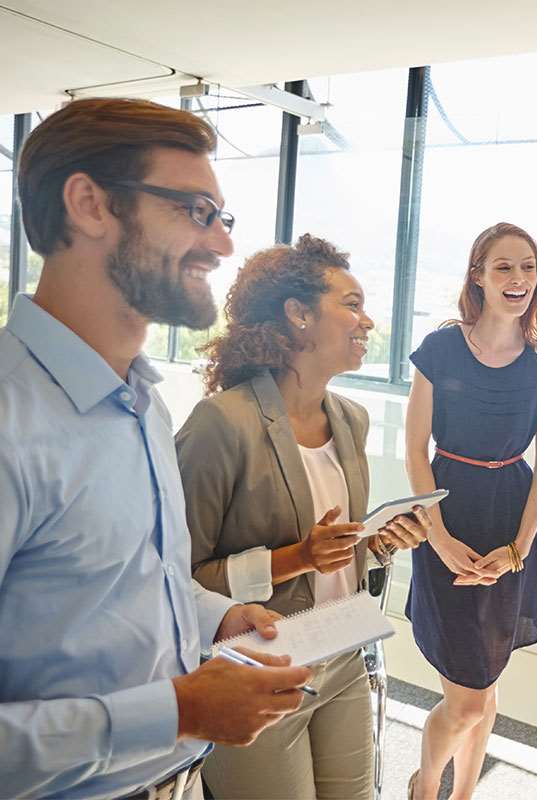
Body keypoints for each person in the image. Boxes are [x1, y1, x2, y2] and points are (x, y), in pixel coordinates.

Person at [0, 98, 314, 800]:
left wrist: (217, 617)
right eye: (195, 210)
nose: (222, 245)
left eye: (222, 218)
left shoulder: (144, 402)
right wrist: (176, 710)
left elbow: (123, 584)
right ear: (89, 204)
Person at [176, 234, 430, 799]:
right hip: (257, 665)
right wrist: (299, 558)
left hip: (342, 651)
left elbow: (338, 554)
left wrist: (379, 543)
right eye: (351, 303)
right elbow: (177, 578)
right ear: (298, 315)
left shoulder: (351, 420)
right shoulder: (220, 424)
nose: (367, 321)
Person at [404, 223, 537, 799]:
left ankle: (463, 793)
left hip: (510, 522)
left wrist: (517, 550)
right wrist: (439, 538)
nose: (518, 278)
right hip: (445, 513)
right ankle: (425, 788)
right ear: (478, 275)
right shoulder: (442, 348)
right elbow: (415, 451)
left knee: (486, 683)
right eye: (503, 267)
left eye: (528, 267)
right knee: (467, 697)